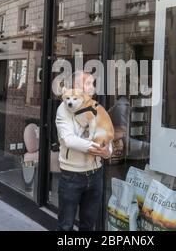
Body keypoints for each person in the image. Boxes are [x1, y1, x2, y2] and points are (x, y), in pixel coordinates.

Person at [55, 71, 112, 231]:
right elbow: (68, 139)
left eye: (93, 84)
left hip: (96, 175)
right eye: (88, 84)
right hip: (72, 176)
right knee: (65, 226)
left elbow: (106, 134)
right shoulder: (64, 109)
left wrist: (108, 151)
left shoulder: (95, 108)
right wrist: (96, 148)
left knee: (88, 225)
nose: (92, 88)